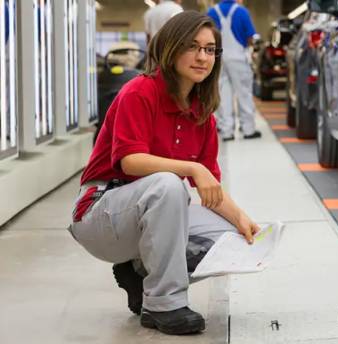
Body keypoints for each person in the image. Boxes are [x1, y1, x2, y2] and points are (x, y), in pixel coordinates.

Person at [69, 11, 260, 336]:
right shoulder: (139, 92)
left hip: (145, 215)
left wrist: (243, 221)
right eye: (193, 47)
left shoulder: (203, 115)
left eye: (210, 49)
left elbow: (211, 194)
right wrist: (192, 168)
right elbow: (130, 161)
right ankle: (164, 305)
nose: (203, 57)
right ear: (171, 48)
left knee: (230, 237)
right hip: (100, 214)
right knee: (170, 186)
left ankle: (141, 272)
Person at [207, 0, 261, 141]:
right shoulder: (242, 11)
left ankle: (227, 132)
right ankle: (248, 129)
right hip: (238, 57)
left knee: (223, 94)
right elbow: (250, 36)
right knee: (244, 93)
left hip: (218, 58)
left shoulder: (212, 12)